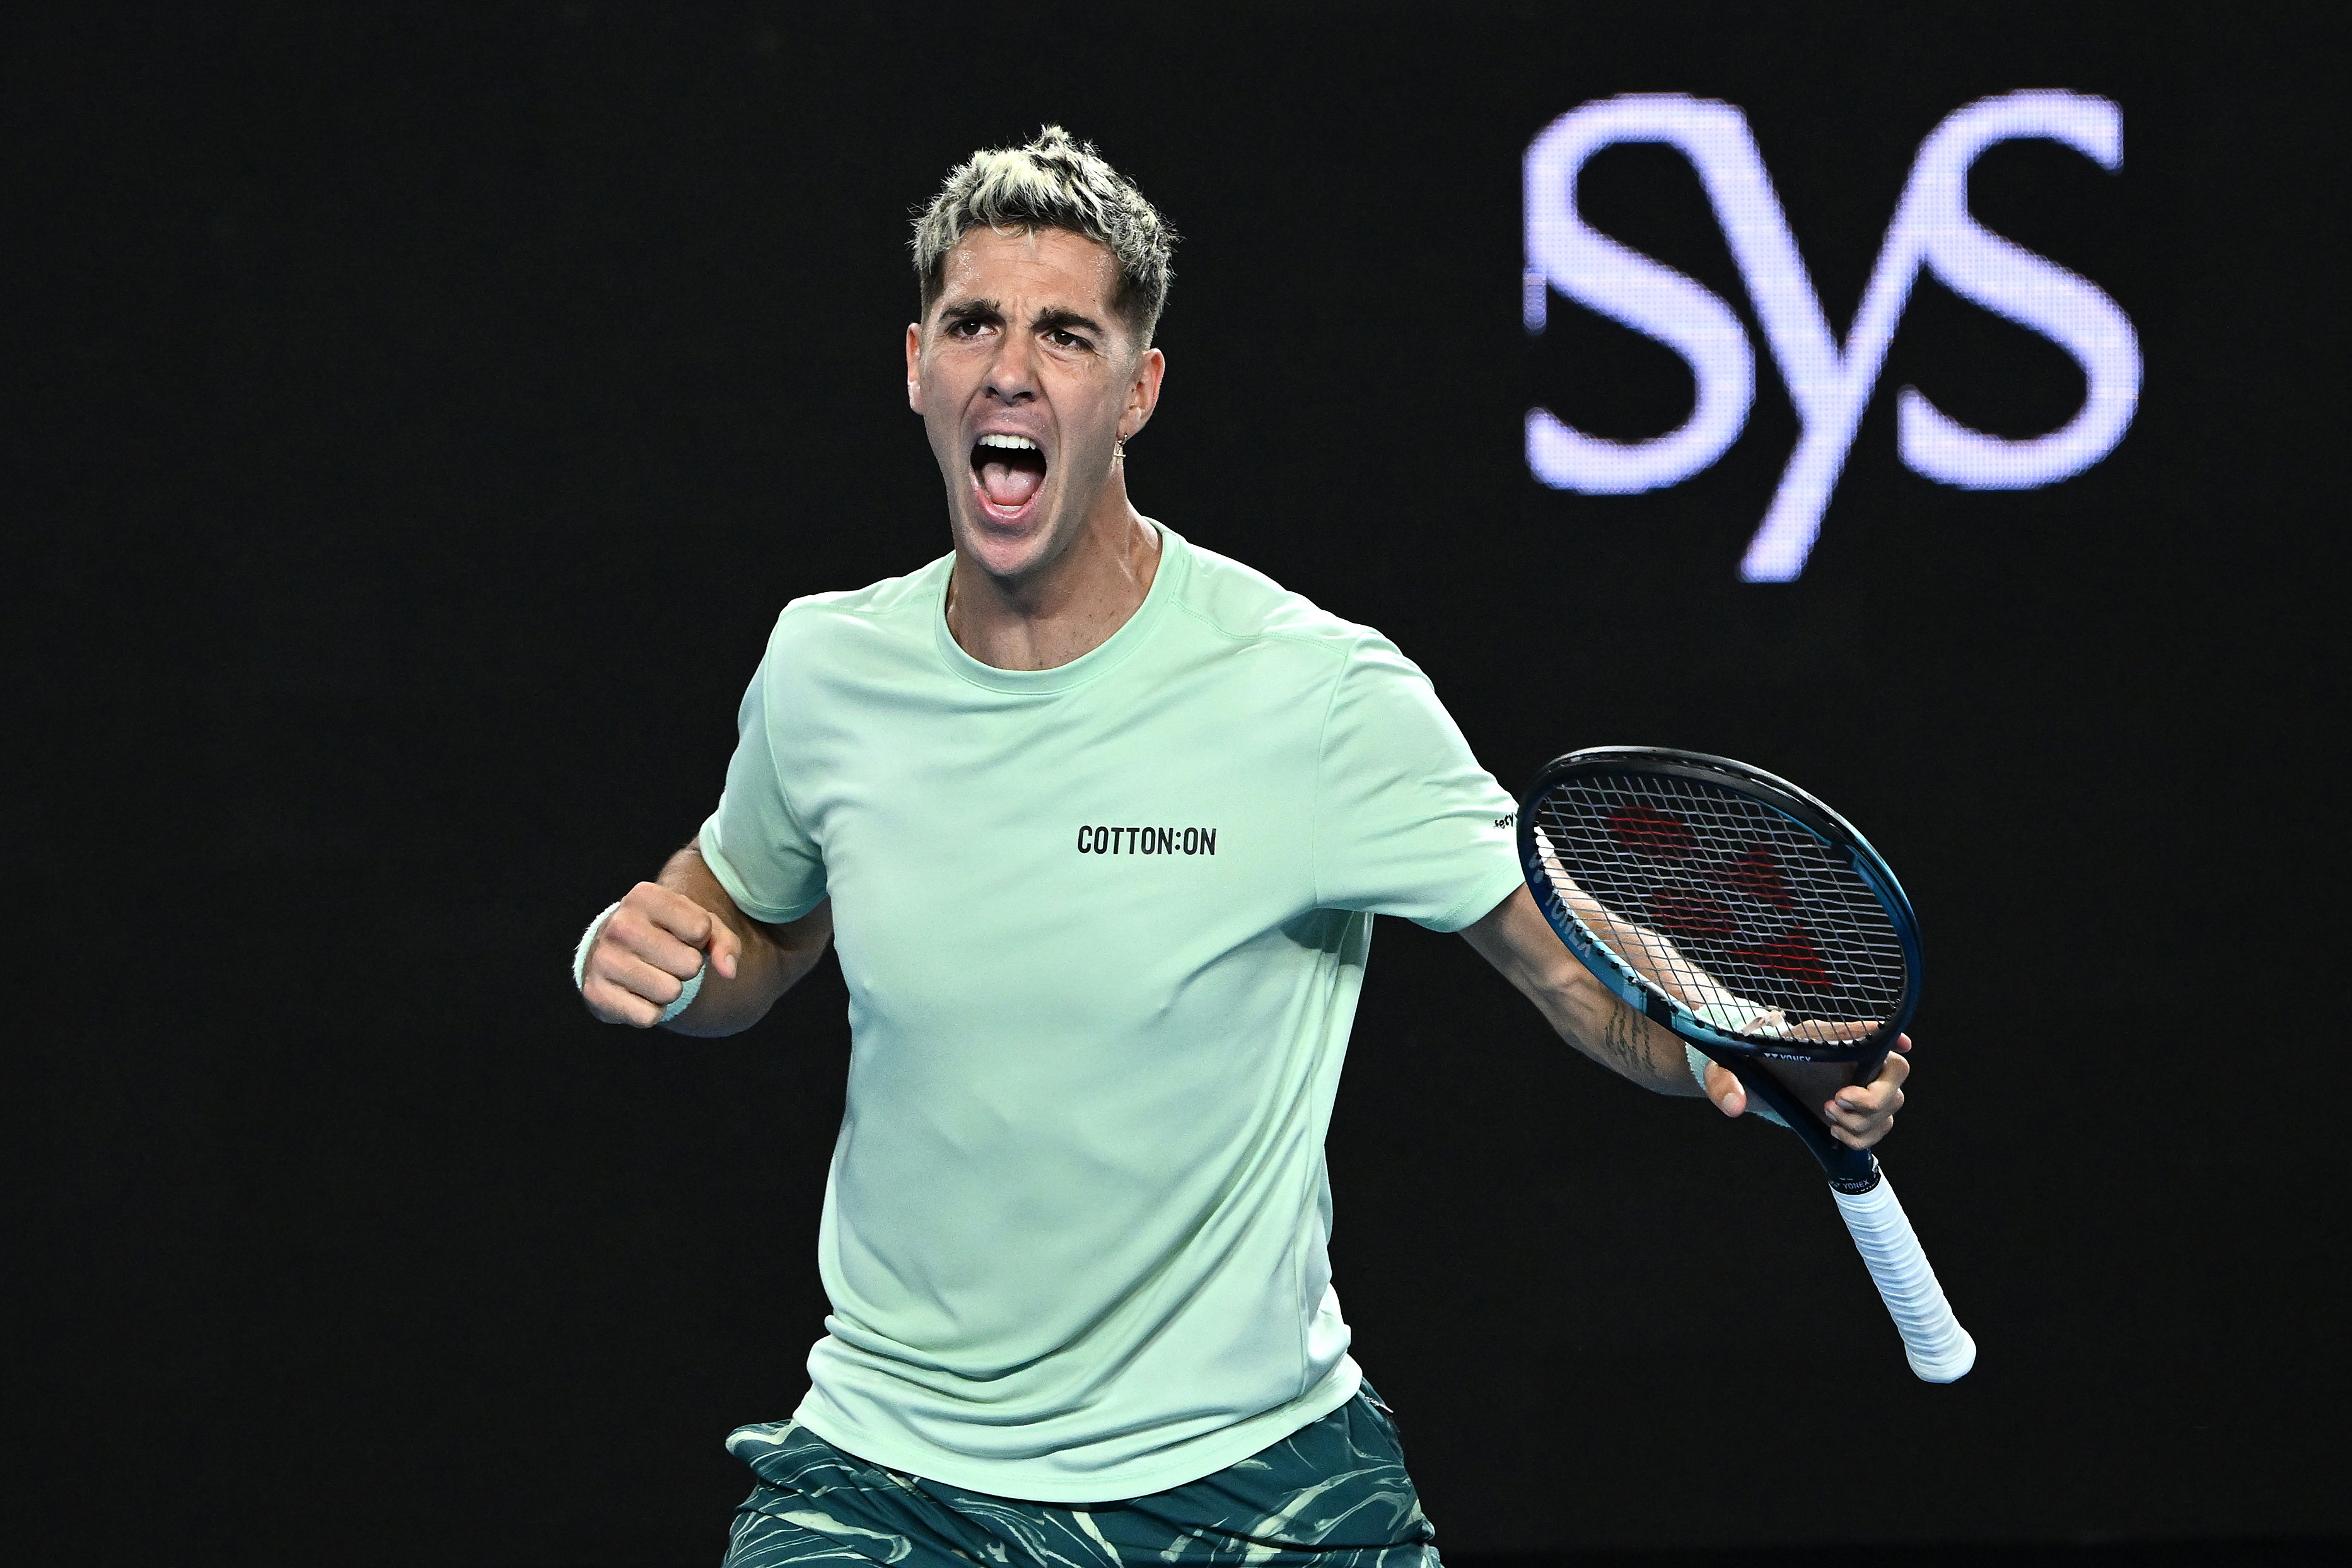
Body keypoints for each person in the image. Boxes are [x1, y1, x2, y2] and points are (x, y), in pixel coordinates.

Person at [573, 126, 1909, 1568]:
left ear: (1135, 390)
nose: (1010, 366)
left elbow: (1567, 961)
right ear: (917, 367)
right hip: (893, 1469)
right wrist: (665, 949)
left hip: (1249, 1482)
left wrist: (1735, 1041)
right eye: (972, 323)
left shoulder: (1313, 692)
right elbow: (751, 920)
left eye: (1064, 334)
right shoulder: (825, 667)